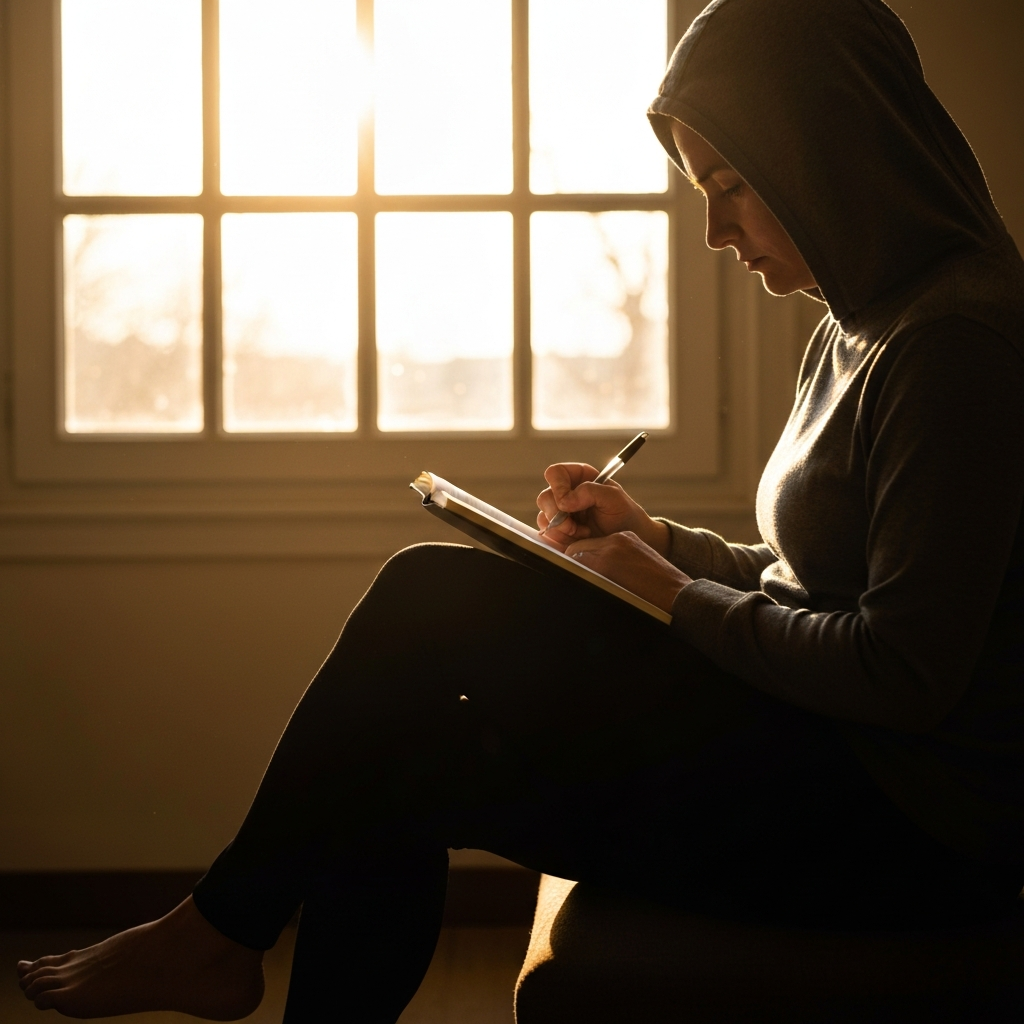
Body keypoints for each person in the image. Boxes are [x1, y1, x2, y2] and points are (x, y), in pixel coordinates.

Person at [19, 0, 1024, 1019]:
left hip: (905, 828)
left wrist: (671, 595)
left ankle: (215, 930)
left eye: (731, 188)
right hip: (826, 757)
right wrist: (655, 541)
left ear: (833, 147)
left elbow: (901, 672)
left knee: (427, 594)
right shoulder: (863, 319)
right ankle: (222, 936)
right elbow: (816, 580)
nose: (717, 233)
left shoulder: (955, 346)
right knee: (400, 761)